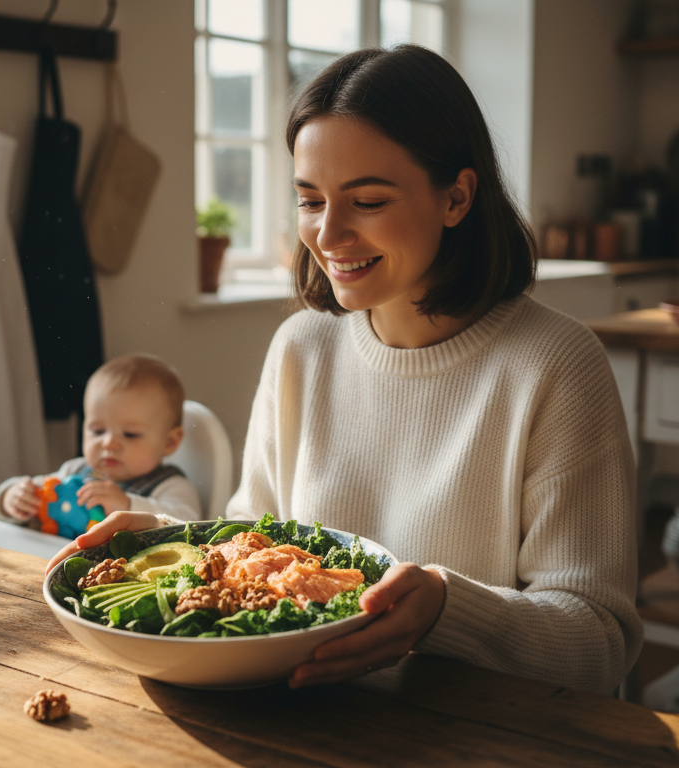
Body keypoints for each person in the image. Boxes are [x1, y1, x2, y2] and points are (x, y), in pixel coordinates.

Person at [49, 45, 641, 695]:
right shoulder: (301, 347)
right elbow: (255, 550)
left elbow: (601, 645)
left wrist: (444, 609)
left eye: (367, 202)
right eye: (310, 200)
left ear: (457, 197)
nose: (329, 235)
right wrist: (174, 544)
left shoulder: (557, 367)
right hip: (298, 725)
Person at [0, 353, 201, 527]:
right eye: (97, 430)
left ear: (169, 442)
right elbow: (38, 490)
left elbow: (189, 524)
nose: (108, 443)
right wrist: (12, 497)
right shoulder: (75, 471)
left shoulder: (170, 486)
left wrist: (127, 505)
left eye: (130, 434)